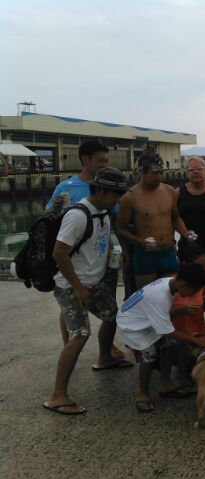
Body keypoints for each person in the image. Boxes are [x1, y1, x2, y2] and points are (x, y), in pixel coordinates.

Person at [43, 168, 132, 415]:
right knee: (80, 334)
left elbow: (98, 244)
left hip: (93, 282)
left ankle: (105, 359)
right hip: (70, 285)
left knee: (112, 316)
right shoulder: (77, 215)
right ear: (100, 190)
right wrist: (78, 287)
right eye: (115, 194)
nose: (118, 200)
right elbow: (59, 253)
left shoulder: (102, 213)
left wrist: (113, 257)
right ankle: (57, 396)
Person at [45, 141, 124, 358]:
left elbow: (111, 222)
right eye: (101, 160)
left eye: (107, 161)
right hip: (74, 262)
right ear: (85, 159)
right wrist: (55, 208)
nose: (104, 164)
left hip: (101, 258)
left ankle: (106, 347)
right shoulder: (66, 187)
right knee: (71, 309)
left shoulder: (109, 187)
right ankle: (70, 345)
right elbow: (49, 220)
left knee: (108, 306)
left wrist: (119, 251)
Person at [116, 263, 205, 413]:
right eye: (193, 291)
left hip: (142, 317)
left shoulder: (169, 282)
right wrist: (196, 340)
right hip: (131, 325)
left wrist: (181, 310)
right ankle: (142, 393)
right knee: (149, 354)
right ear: (182, 285)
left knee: (169, 344)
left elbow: (162, 314)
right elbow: (167, 331)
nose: (193, 295)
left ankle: (165, 385)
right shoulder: (160, 296)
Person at [117, 152, 195, 289]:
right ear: (141, 172)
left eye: (161, 173)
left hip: (168, 252)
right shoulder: (129, 197)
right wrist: (140, 242)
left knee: (171, 294)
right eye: (154, 173)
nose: (159, 177)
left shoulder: (169, 191)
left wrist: (185, 233)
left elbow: (175, 217)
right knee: (148, 296)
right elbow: (121, 229)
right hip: (145, 256)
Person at [170, 240, 205, 392]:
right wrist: (181, 310)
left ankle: (188, 366)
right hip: (176, 336)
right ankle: (180, 374)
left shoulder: (202, 282)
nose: (203, 270)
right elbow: (161, 318)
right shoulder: (174, 284)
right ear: (185, 264)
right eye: (200, 266)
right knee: (186, 347)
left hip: (198, 333)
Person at [176, 156, 205, 273]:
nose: (195, 172)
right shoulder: (178, 193)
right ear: (186, 173)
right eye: (191, 170)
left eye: (199, 169)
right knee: (188, 281)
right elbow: (173, 217)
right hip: (188, 247)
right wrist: (183, 233)